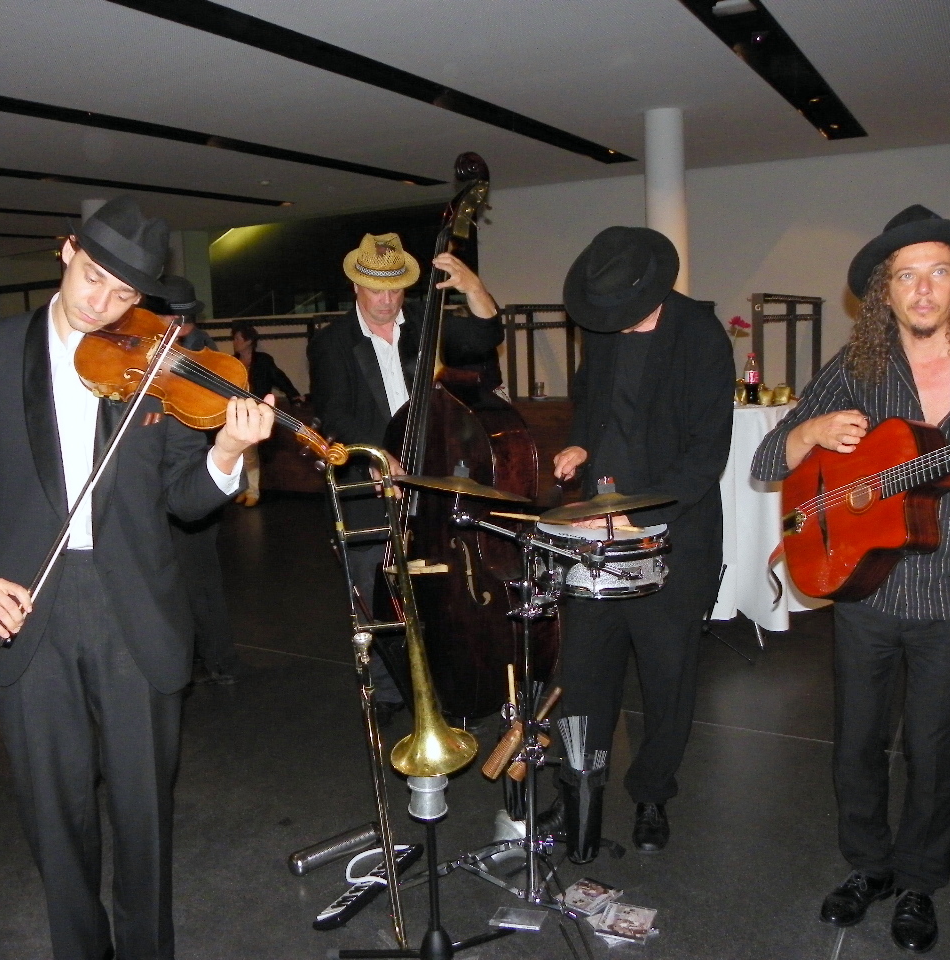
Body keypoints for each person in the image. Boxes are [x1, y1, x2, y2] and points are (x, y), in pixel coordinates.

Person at [0, 197, 274, 960]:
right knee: (54, 813)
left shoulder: (160, 359)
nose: (103, 304)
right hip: (24, 606)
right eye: (95, 278)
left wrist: (227, 455)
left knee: (144, 813)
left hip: (136, 608)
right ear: (68, 251)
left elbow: (184, 500)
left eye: (125, 293)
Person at [751, 205, 950, 954]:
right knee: (857, 739)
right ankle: (867, 866)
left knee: (935, 748)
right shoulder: (857, 366)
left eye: (937, 271)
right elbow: (767, 461)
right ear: (885, 291)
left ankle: (918, 882)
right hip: (864, 584)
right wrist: (810, 431)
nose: (922, 288)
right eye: (906, 276)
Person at [547, 226, 734, 855]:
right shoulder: (604, 329)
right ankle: (579, 789)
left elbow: (706, 455)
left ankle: (653, 792)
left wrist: (643, 513)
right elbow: (591, 404)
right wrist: (580, 445)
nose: (615, 326)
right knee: (583, 672)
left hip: (674, 533)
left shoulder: (701, 337)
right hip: (600, 527)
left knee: (666, 676)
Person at [307, 232, 503, 716]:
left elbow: (485, 337)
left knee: (440, 592)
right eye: (377, 289)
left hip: (431, 481)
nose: (387, 299)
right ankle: (387, 691)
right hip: (369, 485)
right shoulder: (331, 342)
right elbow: (335, 413)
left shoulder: (423, 323)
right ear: (356, 286)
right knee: (374, 594)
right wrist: (379, 456)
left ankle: (444, 682)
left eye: (396, 289)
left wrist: (473, 287)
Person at [153, 275, 242, 685]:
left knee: (200, 577)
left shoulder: (203, 355)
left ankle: (220, 660)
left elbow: (212, 417)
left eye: (184, 323)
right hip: (155, 481)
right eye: (170, 320)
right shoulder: (146, 350)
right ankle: (184, 656)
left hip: (195, 476)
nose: (177, 329)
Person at [230, 322, 302, 507]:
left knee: (249, 451)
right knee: (239, 452)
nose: (235, 342)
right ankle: (244, 488)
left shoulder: (262, 360)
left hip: (258, 410)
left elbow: (278, 377)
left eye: (238, 338)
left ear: (249, 341)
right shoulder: (233, 361)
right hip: (239, 410)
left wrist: (293, 394)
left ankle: (252, 490)